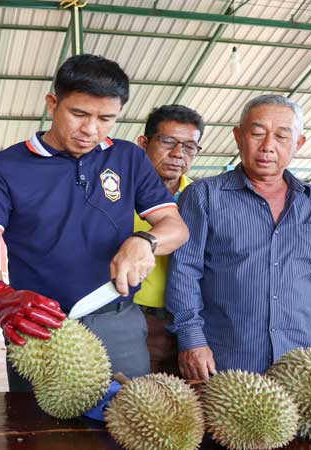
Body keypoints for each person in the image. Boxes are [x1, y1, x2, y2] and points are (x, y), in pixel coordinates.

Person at [0, 54, 189, 391]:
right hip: (39, 328)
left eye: (106, 118)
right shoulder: (3, 168)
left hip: (118, 320)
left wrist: (145, 241)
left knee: (129, 419)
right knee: (39, 432)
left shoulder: (128, 158)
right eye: (79, 114)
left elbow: (174, 225)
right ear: (53, 104)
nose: (90, 130)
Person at [167, 94, 311, 381]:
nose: (268, 146)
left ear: (298, 144)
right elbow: (184, 272)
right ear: (238, 136)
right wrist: (191, 340)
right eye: (257, 134)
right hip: (225, 359)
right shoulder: (204, 196)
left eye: (282, 136)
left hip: (304, 360)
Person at [134, 104, 203, 375]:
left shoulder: (203, 199)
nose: (178, 154)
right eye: (168, 142)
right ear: (144, 143)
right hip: (136, 320)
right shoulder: (117, 197)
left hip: (193, 326)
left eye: (189, 146)